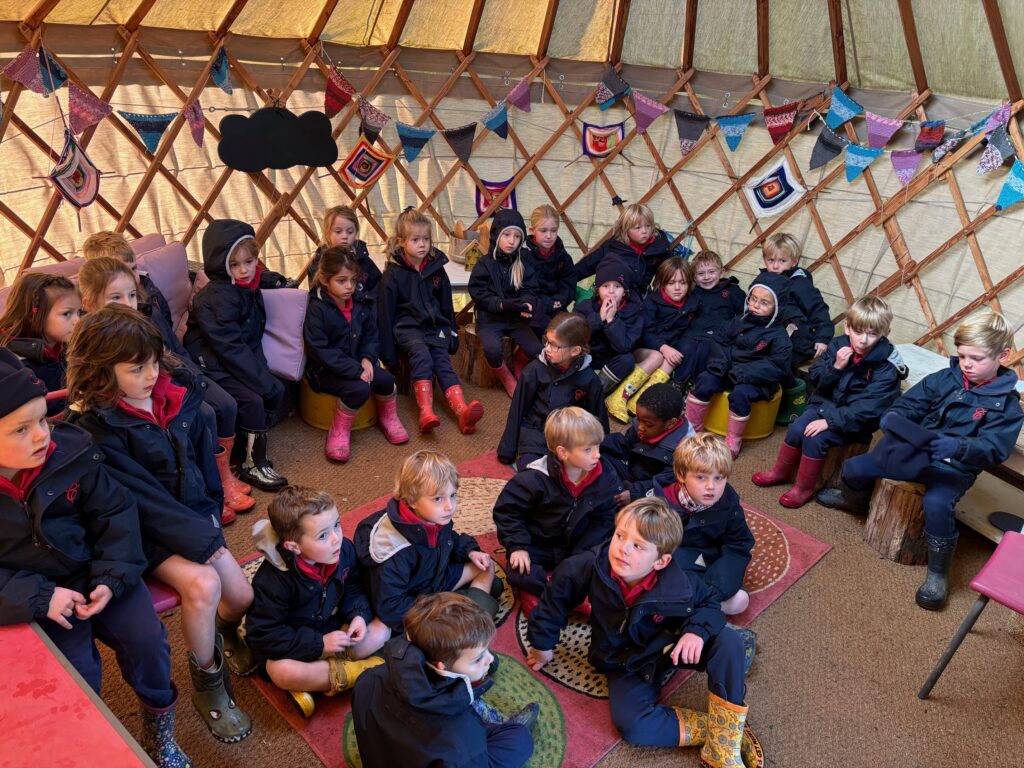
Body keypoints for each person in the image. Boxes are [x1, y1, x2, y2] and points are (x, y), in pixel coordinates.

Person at [65, 306, 254, 743]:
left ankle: (220, 636)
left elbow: (202, 465)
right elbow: (144, 505)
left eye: (153, 361)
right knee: (204, 585)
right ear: (101, 372)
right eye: (136, 368)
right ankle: (208, 681)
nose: (151, 374)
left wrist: (210, 518)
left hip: (192, 518)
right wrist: (206, 544)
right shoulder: (98, 430)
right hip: (142, 535)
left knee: (242, 594)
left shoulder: (178, 396)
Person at [0, 349, 191, 767]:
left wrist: (112, 576)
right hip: (42, 597)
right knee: (76, 678)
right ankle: (95, 745)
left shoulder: (70, 454)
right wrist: (40, 597)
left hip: (99, 573)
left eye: (42, 420)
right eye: (20, 429)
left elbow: (116, 514)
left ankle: (159, 734)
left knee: (149, 642)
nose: (41, 436)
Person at [526, 498, 760, 767]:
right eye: (620, 536)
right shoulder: (589, 564)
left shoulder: (681, 580)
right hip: (626, 659)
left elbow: (708, 603)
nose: (623, 549)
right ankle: (725, 729)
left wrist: (695, 632)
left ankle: (722, 748)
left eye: (637, 546)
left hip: (671, 643)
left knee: (728, 642)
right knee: (633, 726)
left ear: (661, 561)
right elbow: (555, 597)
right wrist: (542, 643)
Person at [818, 311, 1024, 610]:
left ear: (1003, 355)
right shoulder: (945, 378)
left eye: (976, 358)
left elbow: (994, 448)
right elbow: (910, 404)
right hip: (914, 452)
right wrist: (896, 418)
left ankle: (938, 573)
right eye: (962, 355)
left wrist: (956, 446)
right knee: (855, 468)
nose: (967, 363)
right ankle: (853, 501)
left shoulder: (1007, 406)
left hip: (954, 466)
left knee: (937, 504)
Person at [77, 256, 253, 522]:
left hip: (168, 377)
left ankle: (219, 481)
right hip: (142, 397)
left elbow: (170, 353)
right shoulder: (94, 343)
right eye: (116, 298)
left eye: (132, 295)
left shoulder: (146, 319)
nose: (128, 304)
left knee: (219, 406)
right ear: (89, 304)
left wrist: (194, 378)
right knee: (201, 414)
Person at [246, 486, 390, 717]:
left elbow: (354, 587)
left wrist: (358, 616)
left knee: (381, 628)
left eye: (337, 525)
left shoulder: (343, 551)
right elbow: (264, 635)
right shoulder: (272, 582)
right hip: (296, 644)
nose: (336, 538)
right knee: (281, 672)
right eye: (323, 535)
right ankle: (363, 671)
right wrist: (319, 644)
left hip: (332, 627)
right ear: (294, 547)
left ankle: (325, 680)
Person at [752, 296, 905, 508]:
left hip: (854, 422)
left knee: (816, 439)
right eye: (858, 332)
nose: (863, 340)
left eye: (872, 334)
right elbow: (814, 379)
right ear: (848, 327)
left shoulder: (887, 367)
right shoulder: (838, 345)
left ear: (885, 334)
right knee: (797, 428)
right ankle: (779, 472)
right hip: (824, 405)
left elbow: (869, 408)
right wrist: (836, 367)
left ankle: (803, 489)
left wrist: (829, 422)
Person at [352, 593, 534, 768]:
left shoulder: (367, 678)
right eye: (478, 659)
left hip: (395, 753)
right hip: (453, 752)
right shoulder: (460, 742)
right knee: (520, 738)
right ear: (441, 668)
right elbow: (460, 753)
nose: (490, 658)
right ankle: (479, 715)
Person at [183, 219, 290, 491]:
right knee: (253, 399)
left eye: (249, 262)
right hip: (208, 361)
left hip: (230, 357)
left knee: (274, 388)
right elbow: (231, 348)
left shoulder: (245, 288)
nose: (243, 270)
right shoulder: (216, 299)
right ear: (221, 265)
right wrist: (264, 382)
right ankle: (251, 464)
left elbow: (249, 339)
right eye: (234, 265)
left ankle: (247, 448)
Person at [492, 407, 624, 616]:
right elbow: (508, 512)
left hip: (577, 544)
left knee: (606, 562)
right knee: (518, 571)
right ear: (563, 452)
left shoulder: (605, 476)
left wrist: (582, 554)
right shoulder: (534, 478)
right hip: (539, 543)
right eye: (588, 450)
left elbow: (604, 519)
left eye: (598, 446)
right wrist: (518, 546)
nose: (598, 455)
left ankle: (542, 595)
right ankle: (566, 596)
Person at [354, 450, 502, 633]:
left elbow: (450, 540)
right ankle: (464, 626)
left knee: (486, 566)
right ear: (412, 501)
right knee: (372, 639)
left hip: (434, 581)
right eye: (438, 498)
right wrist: (434, 610)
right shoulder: (394, 549)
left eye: (453, 495)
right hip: (412, 601)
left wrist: (471, 552)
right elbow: (391, 607)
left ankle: (465, 624)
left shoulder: (434, 517)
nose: (450, 506)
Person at [378, 208, 483, 435]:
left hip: (435, 327)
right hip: (407, 329)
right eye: (415, 240)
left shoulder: (436, 268)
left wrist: (453, 333)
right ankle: (425, 411)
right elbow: (384, 315)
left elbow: (446, 304)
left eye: (426, 239)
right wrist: (387, 355)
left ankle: (462, 412)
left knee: (442, 362)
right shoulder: (393, 275)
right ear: (401, 242)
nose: (422, 244)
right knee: (422, 357)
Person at [303, 245, 408, 462]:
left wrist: (368, 359)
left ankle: (388, 419)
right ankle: (339, 433)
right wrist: (355, 368)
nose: (349, 286)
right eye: (341, 281)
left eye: (352, 280)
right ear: (324, 280)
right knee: (359, 389)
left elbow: (371, 335)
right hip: (324, 370)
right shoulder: (317, 309)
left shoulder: (361, 302)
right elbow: (320, 349)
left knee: (386, 379)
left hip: (357, 363)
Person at [686, 272, 792, 458]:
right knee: (705, 380)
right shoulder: (739, 320)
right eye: (753, 299)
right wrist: (721, 364)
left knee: (740, 395)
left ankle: (733, 440)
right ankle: (691, 429)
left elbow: (777, 365)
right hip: (729, 369)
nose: (756, 306)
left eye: (764, 302)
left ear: (778, 307)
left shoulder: (779, 336)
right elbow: (719, 340)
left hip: (757, 379)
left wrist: (744, 372)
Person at [653, 433, 754, 616]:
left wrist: (716, 589)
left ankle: (692, 607)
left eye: (719, 478)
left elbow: (738, 546)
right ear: (681, 475)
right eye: (701, 477)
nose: (711, 487)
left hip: (706, 567)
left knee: (740, 600)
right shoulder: (658, 504)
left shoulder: (728, 503)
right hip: (670, 564)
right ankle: (691, 609)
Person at [497, 312, 607, 469]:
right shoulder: (534, 370)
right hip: (536, 432)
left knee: (571, 475)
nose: (546, 348)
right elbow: (518, 410)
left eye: (554, 345)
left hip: (569, 438)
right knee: (531, 475)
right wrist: (507, 451)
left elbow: (598, 419)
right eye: (546, 341)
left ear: (575, 351)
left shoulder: (589, 379)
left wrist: (603, 454)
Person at [468, 208, 543, 397]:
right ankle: (506, 377)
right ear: (496, 235)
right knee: (492, 349)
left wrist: (526, 303)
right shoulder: (485, 263)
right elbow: (478, 292)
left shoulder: (523, 262)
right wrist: (500, 304)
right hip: (490, 319)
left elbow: (531, 288)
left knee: (536, 349)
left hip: (515, 318)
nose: (511, 241)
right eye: (506, 235)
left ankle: (519, 359)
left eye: (517, 237)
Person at [617, 256, 701, 420]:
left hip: (667, 350)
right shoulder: (652, 302)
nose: (677, 288)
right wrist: (663, 347)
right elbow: (645, 331)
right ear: (661, 283)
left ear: (690, 283)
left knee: (671, 360)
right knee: (658, 356)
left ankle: (642, 401)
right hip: (643, 349)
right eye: (671, 283)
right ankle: (619, 398)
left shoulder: (692, 302)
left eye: (682, 283)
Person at [0, 271, 81, 414]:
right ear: (33, 315)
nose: (77, 321)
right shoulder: (14, 364)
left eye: (78, 313)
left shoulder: (65, 345)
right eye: (67, 314)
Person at [603, 383, 695, 504]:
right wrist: (597, 442)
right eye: (638, 419)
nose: (640, 427)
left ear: (670, 423)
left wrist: (635, 494)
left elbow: (667, 484)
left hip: (650, 491)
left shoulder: (684, 450)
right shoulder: (644, 422)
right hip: (633, 471)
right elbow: (626, 444)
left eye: (648, 424)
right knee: (593, 455)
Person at [759, 232, 832, 370]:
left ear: (794, 261)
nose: (775, 266)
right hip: (769, 334)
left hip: (796, 339)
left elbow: (818, 310)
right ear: (765, 260)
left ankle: (791, 388)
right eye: (771, 260)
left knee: (775, 364)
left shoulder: (800, 284)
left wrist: (822, 338)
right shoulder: (763, 280)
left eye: (782, 261)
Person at [574, 258, 645, 400]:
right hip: (587, 354)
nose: (611, 291)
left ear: (625, 291)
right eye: (606, 286)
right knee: (572, 352)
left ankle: (595, 394)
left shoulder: (634, 312)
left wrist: (612, 321)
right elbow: (574, 335)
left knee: (627, 359)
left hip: (610, 358)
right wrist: (598, 318)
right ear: (597, 289)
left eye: (617, 286)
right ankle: (574, 389)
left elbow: (625, 346)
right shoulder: (585, 307)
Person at [573, 203, 672, 297]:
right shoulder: (612, 247)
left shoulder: (659, 247)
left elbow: (674, 273)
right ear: (625, 229)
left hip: (641, 299)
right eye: (638, 227)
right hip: (612, 295)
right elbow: (586, 266)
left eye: (648, 226)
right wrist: (563, 281)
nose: (644, 231)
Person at [684, 249, 746, 382]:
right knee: (686, 347)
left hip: (719, 335)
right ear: (694, 277)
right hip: (694, 333)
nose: (706, 277)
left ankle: (696, 383)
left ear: (722, 272)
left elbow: (744, 314)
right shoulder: (693, 292)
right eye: (701, 273)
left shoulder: (732, 291)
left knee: (707, 349)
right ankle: (679, 381)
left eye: (711, 272)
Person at [305, 205, 382, 303]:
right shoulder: (319, 263)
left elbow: (378, 289)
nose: (345, 236)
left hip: (364, 314)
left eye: (350, 232)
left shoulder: (363, 260)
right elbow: (318, 295)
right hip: (333, 314)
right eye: (338, 231)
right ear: (327, 234)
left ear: (356, 232)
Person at [524, 204, 576, 341]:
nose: (549, 236)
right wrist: (546, 303)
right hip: (533, 308)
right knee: (549, 331)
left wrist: (559, 301)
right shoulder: (524, 256)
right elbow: (523, 289)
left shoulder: (563, 257)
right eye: (543, 230)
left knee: (570, 330)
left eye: (553, 231)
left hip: (557, 306)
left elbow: (568, 285)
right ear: (532, 230)